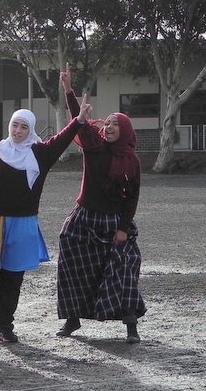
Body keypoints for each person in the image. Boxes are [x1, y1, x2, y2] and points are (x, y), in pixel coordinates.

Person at [0, 105, 88, 343]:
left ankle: (3, 325)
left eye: (24, 127)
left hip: (23, 223)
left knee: (12, 277)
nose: (18, 130)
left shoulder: (40, 154)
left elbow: (61, 140)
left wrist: (78, 121)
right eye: (15, 125)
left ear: (31, 129)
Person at [56, 63, 145, 343]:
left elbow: (131, 197)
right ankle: (72, 318)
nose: (108, 128)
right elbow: (79, 121)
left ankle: (131, 325)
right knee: (71, 263)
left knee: (124, 268)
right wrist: (68, 90)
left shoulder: (131, 160)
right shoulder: (93, 146)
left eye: (115, 125)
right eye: (106, 124)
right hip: (83, 219)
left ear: (126, 130)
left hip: (113, 222)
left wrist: (122, 228)